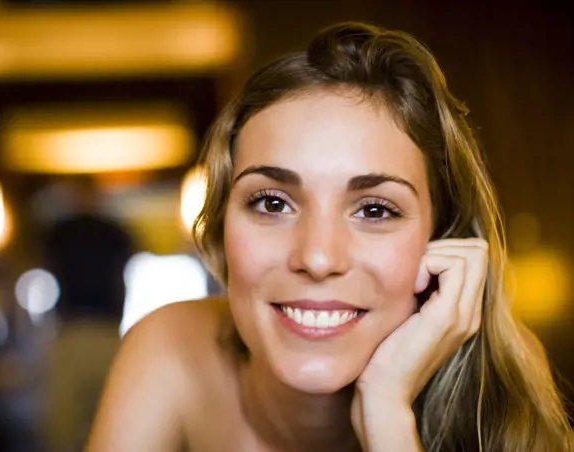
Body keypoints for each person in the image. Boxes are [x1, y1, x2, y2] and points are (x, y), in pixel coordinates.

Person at [87, 22, 574, 451]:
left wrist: (387, 417)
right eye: (273, 203)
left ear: (439, 239)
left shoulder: (499, 377)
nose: (318, 258)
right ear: (220, 227)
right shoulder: (170, 348)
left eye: (375, 210)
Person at [42, 176, 135, 452]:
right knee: (70, 423)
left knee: (103, 420)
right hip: (78, 329)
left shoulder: (108, 232)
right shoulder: (63, 231)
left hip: (97, 329)